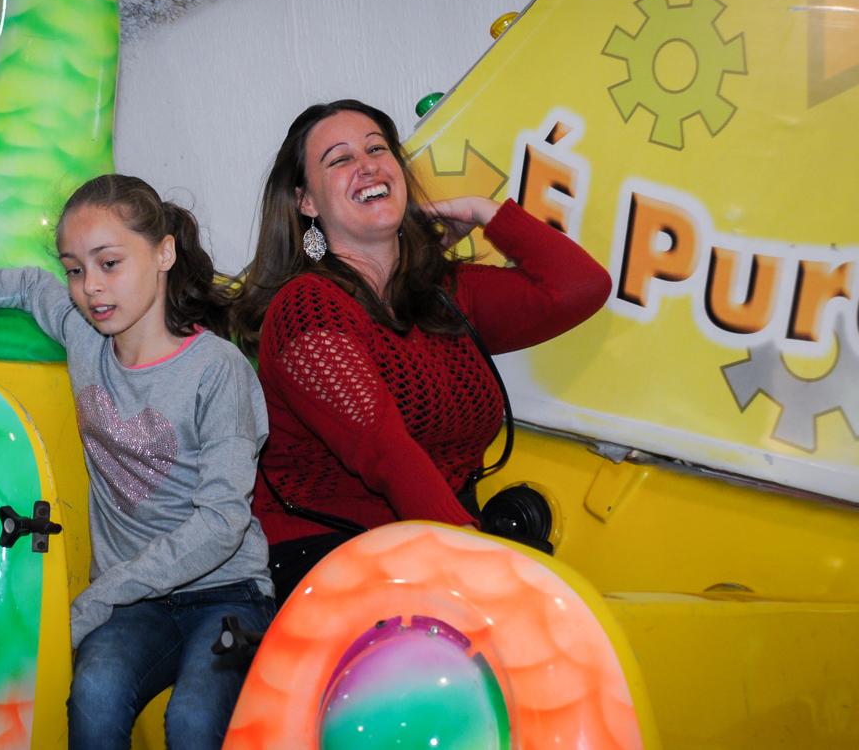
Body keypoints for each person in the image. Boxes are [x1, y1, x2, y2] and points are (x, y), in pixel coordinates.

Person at [0, 175, 274, 750]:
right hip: (136, 605)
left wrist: (101, 595)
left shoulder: (216, 370)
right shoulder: (84, 337)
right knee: (93, 694)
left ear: (164, 252)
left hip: (232, 597)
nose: (90, 288)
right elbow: (21, 284)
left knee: (195, 720)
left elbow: (222, 522)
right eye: (75, 270)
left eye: (109, 263)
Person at [231, 100, 612, 605]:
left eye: (377, 148)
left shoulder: (444, 294)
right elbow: (385, 451)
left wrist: (484, 211)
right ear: (306, 202)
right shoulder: (307, 307)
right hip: (326, 557)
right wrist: (474, 560)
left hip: (427, 546)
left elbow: (581, 287)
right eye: (339, 159)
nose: (366, 164)